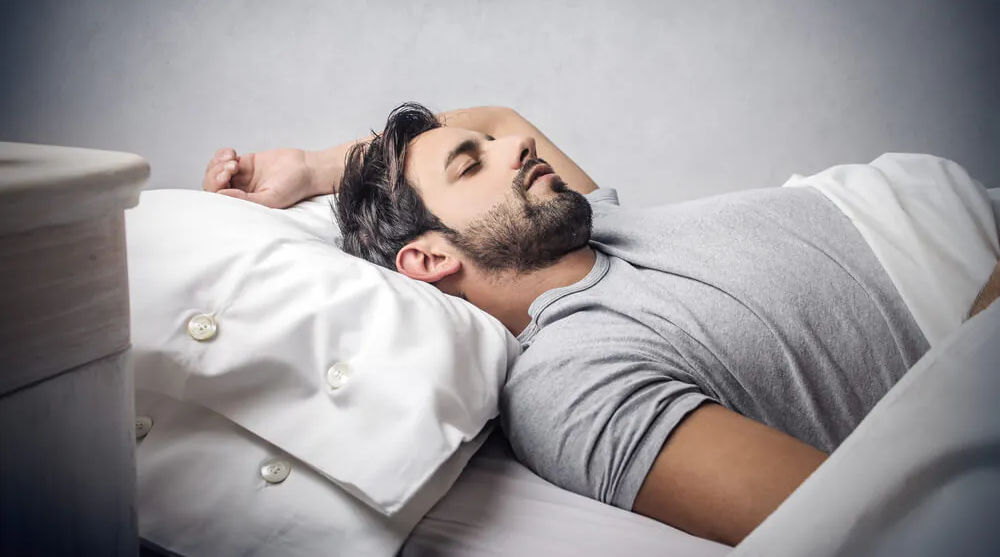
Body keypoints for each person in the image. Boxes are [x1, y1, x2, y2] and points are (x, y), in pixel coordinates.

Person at [202, 102, 999, 547]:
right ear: (429, 259)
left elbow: (492, 110)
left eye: (490, 147)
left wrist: (313, 164)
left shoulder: (592, 225)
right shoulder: (570, 381)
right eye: (472, 164)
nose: (515, 142)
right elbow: (852, 519)